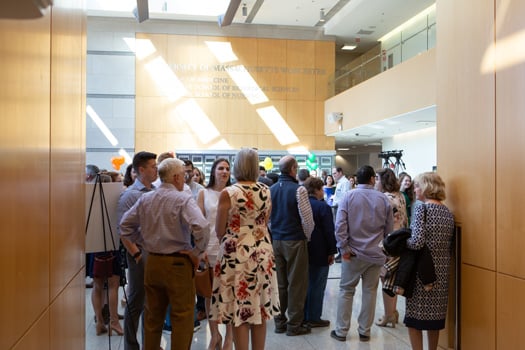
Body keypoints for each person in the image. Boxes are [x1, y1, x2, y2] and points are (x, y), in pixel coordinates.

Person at [120, 157, 210, 350]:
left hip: (151, 262)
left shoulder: (146, 199)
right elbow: (201, 227)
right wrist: (196, 252)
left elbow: (124, 226)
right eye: (184, 175)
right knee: (182, 319)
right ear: (176, 177)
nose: (185, 179)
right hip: (178, 263)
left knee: (152, 318)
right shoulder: (183, 199)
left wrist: (143, 242)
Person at [209, 148, 279, 350]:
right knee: (259, 309)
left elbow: (219, 229)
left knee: (239, 310)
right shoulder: (266, 190)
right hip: (262, 251)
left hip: (236, 253)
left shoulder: (229, 193)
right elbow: (264, 222)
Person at [330, 165, 393, 343]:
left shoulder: (349, 196)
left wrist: (343, 248)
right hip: (375, 254)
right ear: (373, 179)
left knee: (346, 290)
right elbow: (389, 230)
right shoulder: (383, 199)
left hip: (353, 254)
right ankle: (365, 331)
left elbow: (340, 226)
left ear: (357, 179)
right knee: (370, 291)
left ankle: (341, 331)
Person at [404, 172, 454, 350]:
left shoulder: (421, 208)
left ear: (426, 187)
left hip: (421, 273)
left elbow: (416, 242)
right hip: (440, 273)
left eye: (417, 185)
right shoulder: (447, 212)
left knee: (414, 321)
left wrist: (403, 243)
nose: (415, 189)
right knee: (434, 320)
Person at [117, 151, 158, 350]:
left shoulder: (154, 191)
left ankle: (149, 344)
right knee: (136, 301)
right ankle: (131, 345)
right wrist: (136, 254)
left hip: (155, 251)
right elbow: (123, 231)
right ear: (141, 170)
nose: (156, 169)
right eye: (152, 166)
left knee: (151, 301)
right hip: (140, 253)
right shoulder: (130, 195)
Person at [270, 155, 314, 336]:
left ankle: (279, 322)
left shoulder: (270, 189)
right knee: (296, 283)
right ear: (293, 169)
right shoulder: (299, 190)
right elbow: (307, 218)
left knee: (279, 283)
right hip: (295, 239)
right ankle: (294, 324)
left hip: (276, 240)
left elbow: (268, 218)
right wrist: (307, 236)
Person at [196, 158, 234, 350]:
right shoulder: (204, 193)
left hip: (230, 248)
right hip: (209, 248)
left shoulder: (234, 192)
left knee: (229, 294)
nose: (224, 171)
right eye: (220, 168)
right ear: (213, 171)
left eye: (227, 168)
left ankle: (229, 337)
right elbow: (199, 223)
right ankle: (215, 335)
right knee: (210, 295)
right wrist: (200, 249)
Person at [90, 173, 124, 336]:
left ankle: (99, 322)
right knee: (113, 286)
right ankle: (114, 322)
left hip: (93, 245)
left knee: (97, 286)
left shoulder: (89, 198)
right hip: (111, 245)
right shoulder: (115, 197)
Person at [374, 168, 408, 328]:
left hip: (388, 242)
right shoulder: (400, 195)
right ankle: (392, 312)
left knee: (386, 278)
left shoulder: (385, 198)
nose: (375, 182)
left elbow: (379, 223)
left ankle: (389, 315)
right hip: (401, 240)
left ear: (384, 181)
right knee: (392, 278)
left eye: (377, 179)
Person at [302, 177, 337, 328]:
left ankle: (303, 315)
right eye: (322, 189)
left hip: (303, 250)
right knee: (318, 284)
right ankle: (314, 316)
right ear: (316, 190)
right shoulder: (323, 207)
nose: (323, 192)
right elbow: (329, 231)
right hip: (320, 250)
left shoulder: (301, 205)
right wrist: (332, 251)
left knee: (304, 284)